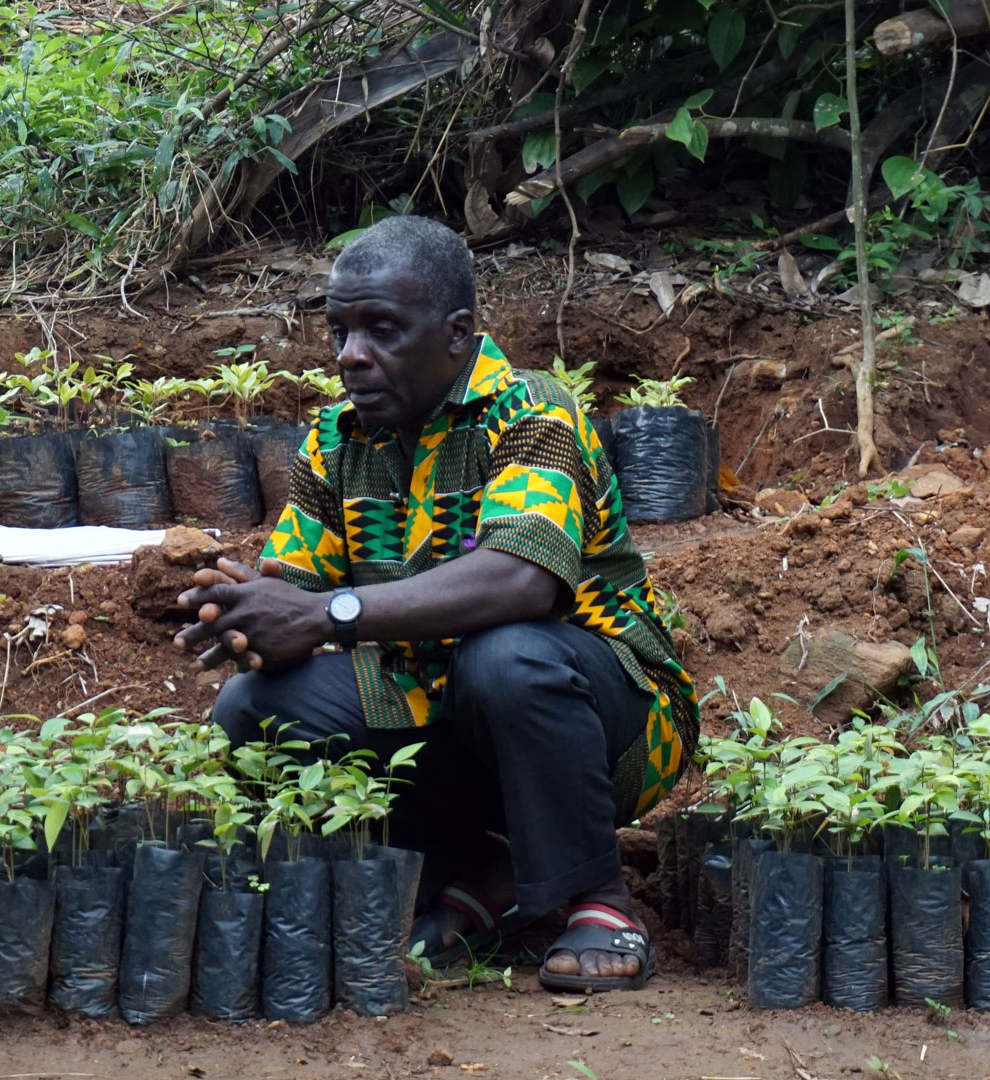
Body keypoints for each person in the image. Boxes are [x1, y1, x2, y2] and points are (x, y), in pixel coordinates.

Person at [173, 215, 698, 992]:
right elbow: (299, 593)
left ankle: (597, 898)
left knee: (505, 656)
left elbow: (520, 581)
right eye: (340, 331)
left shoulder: (532, 412)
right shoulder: (337, 441)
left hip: (611, 721)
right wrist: (252, 613)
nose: (353, 356)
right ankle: (481, 870)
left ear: (457, 334)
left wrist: (326, 616)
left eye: (382, 329)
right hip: (446, 715)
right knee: (256, 706)